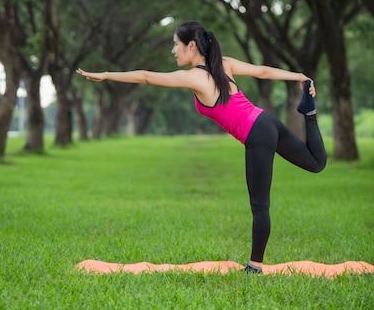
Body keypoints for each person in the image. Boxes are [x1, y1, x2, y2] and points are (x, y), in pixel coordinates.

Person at [77, 20, 327, 273]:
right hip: (267, 121)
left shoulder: (195, 77)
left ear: (192, 45)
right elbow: (262, 72)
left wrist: (107, 75)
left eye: (176, 45)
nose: (173, 51)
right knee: (316, 164)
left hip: (257, 135)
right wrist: (299, 76)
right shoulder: (223, 64)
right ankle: (309, 112)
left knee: (260, 205)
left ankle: (254, 267)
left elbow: (145, 77)